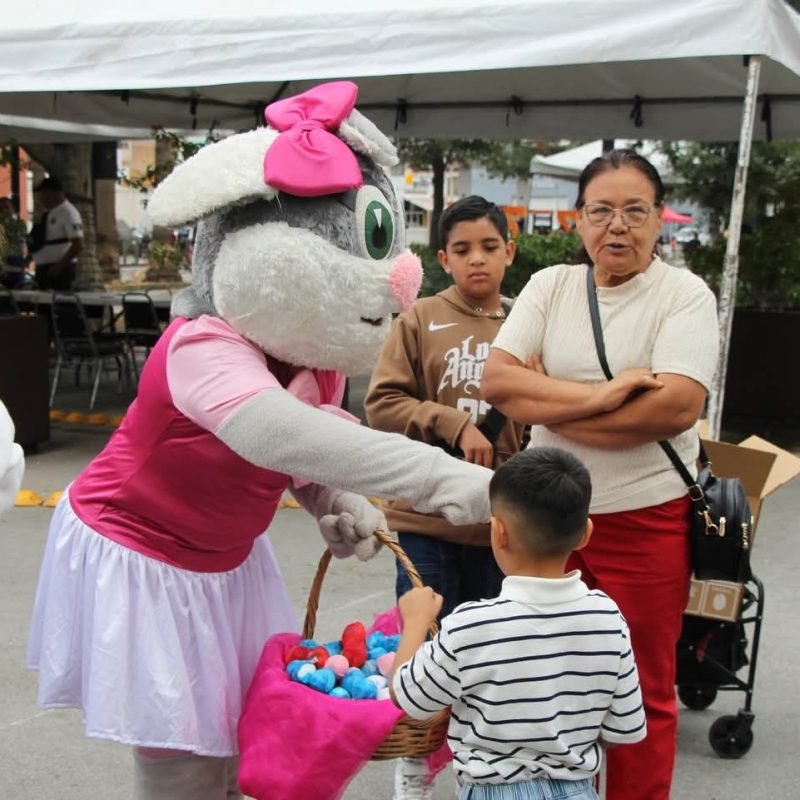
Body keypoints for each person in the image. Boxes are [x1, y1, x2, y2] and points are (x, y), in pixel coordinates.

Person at [481, 149, 719, 800]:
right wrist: (607, 396)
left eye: (635, 211)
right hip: (547, 516)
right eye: (602, 210)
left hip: (647, 517)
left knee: (642, 687)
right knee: (548, 681)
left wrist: (551, 404)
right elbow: (499, 382)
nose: (618, 225)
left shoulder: (683, 295)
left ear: (659, 219)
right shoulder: (551, 286)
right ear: (579, 219)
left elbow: (675, 408)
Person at [364, 194, 524, 800]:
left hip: (500, 525)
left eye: (489, 246)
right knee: (425, 646)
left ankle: (475, 761)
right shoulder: (419, 320)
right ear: (443, 259)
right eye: (462, 249)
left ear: (509, 252)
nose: (477, 259)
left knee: (488, 653)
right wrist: (450, 422)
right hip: (423, 518)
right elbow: (382, 403)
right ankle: (414, 759)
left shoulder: (525, 322)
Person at [391, 446, 646, 800]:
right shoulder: (608, 620)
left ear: (498, 531)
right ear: (585, 533)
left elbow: (409, 698)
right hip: (578, 791)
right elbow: (623, 730)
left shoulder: (471, 625)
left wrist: (416, 622)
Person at [30, 176, 84, 290]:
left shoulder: (68, 212)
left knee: (59, 300)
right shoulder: (51, 212)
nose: (41, 199)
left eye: (42, 195)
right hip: (44, 269)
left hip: (60, 270)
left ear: (51, 193)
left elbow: (78, 245)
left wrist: (60, 266)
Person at [0, 196, 30, 289]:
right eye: (1, 208)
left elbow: (23, 241)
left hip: (16, 262)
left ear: (12, 209)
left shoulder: (19, 224)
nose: (4, 210)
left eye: (7, 207)